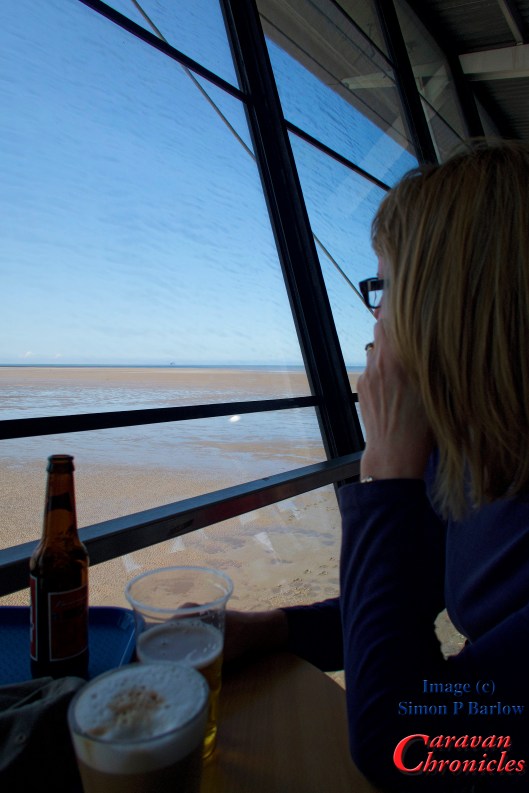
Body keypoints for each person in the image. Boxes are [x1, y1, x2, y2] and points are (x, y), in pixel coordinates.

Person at [224, 139, 529, 792]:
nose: (375, 315)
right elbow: (398, 600)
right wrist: (270, 629)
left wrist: (388, 469)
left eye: (384, 287)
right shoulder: (478, 453)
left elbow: (410, 747)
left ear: (446, 303)